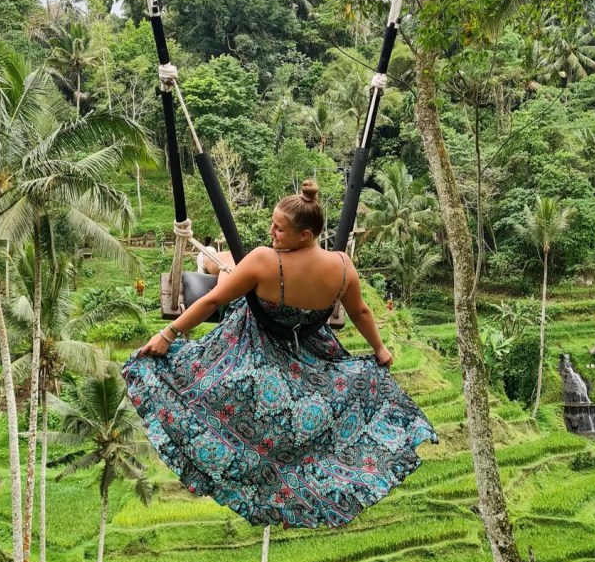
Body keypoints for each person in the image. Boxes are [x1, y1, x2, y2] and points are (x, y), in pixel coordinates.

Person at [123, 180, 437, 528]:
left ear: (305, 235)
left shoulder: (263, 261)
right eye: (273, 223)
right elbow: (360, 311)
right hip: (310, 351)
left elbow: (213, 300)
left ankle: (212, 266)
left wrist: (167, 334)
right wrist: (379, 349)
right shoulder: (343, 267)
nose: (271, 231)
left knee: (202, 356)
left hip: (253, 348)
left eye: (280, 229)